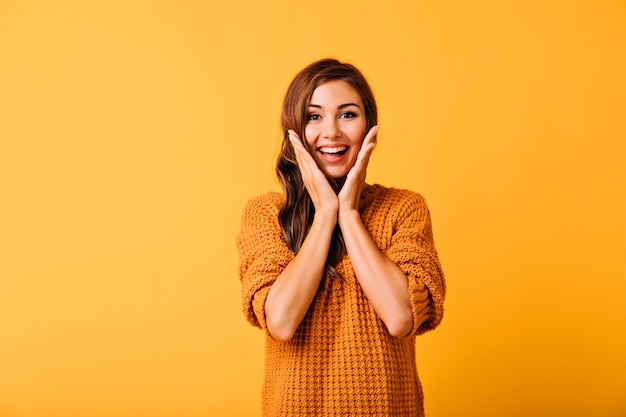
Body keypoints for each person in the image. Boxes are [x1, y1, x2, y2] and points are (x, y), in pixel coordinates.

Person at [236, 58, 446, 416]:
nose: (331, 132)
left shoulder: (405, 209)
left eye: (347, 114)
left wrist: (348, 213)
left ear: (369, 127)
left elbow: (400, 318)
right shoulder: (265, 214)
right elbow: (282, 322)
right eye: (314, 116)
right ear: (294, 131)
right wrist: (326, 215)